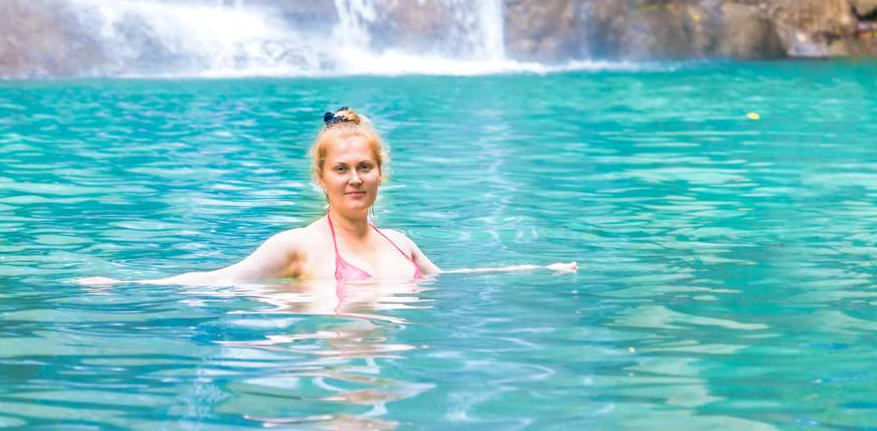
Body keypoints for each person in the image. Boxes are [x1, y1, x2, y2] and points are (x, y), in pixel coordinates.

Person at [79, 107, 574, 286]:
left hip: (383, 375)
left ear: (381, 175)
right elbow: (219, 280)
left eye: (364, 168)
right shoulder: (296, 247)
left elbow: (452, 281)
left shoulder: (402, 243)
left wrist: (536, 271)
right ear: (321, 178)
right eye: (341, 169)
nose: (354, 179)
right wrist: (130, 288)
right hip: (326, 377)